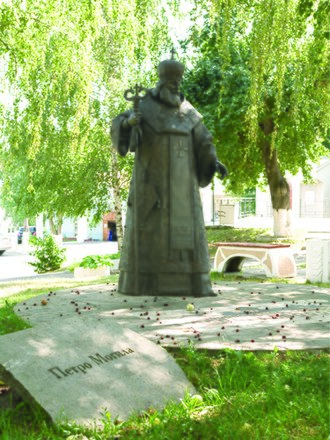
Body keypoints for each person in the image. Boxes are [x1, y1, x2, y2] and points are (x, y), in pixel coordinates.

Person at [111, 57, 228, 296]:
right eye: (171, 82)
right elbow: (119, 124)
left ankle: (195, 284)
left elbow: (204, 140)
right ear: (161, 82)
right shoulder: (143, 105)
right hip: (151, 184)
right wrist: (129, 123)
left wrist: (213, 162)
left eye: (178, 82)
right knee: (151, 234)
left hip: (183, 187)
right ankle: (141, 283)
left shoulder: (188, 111)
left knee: (187, 235)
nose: (175, 86)